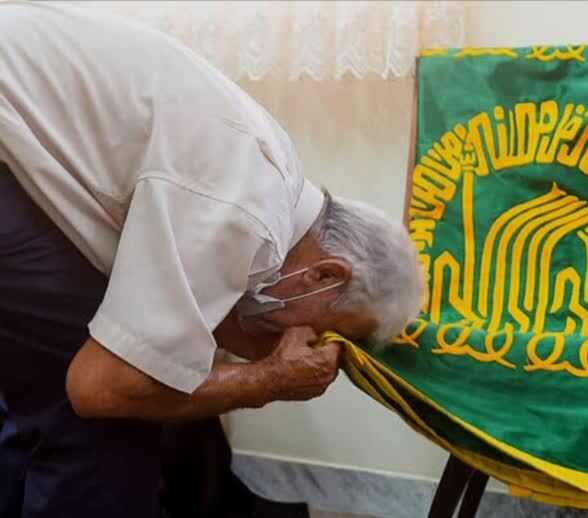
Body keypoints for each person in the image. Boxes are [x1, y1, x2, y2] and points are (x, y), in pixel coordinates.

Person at [0, 3, 423, 518]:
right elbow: (98, 388)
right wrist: (269, 381)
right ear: (326, 274)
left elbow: (194, 304)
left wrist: (252, 356)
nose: (304, 339)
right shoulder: (243, 211)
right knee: (107, 418)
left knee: (111, 378)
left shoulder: (274, 177)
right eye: (322, 330)